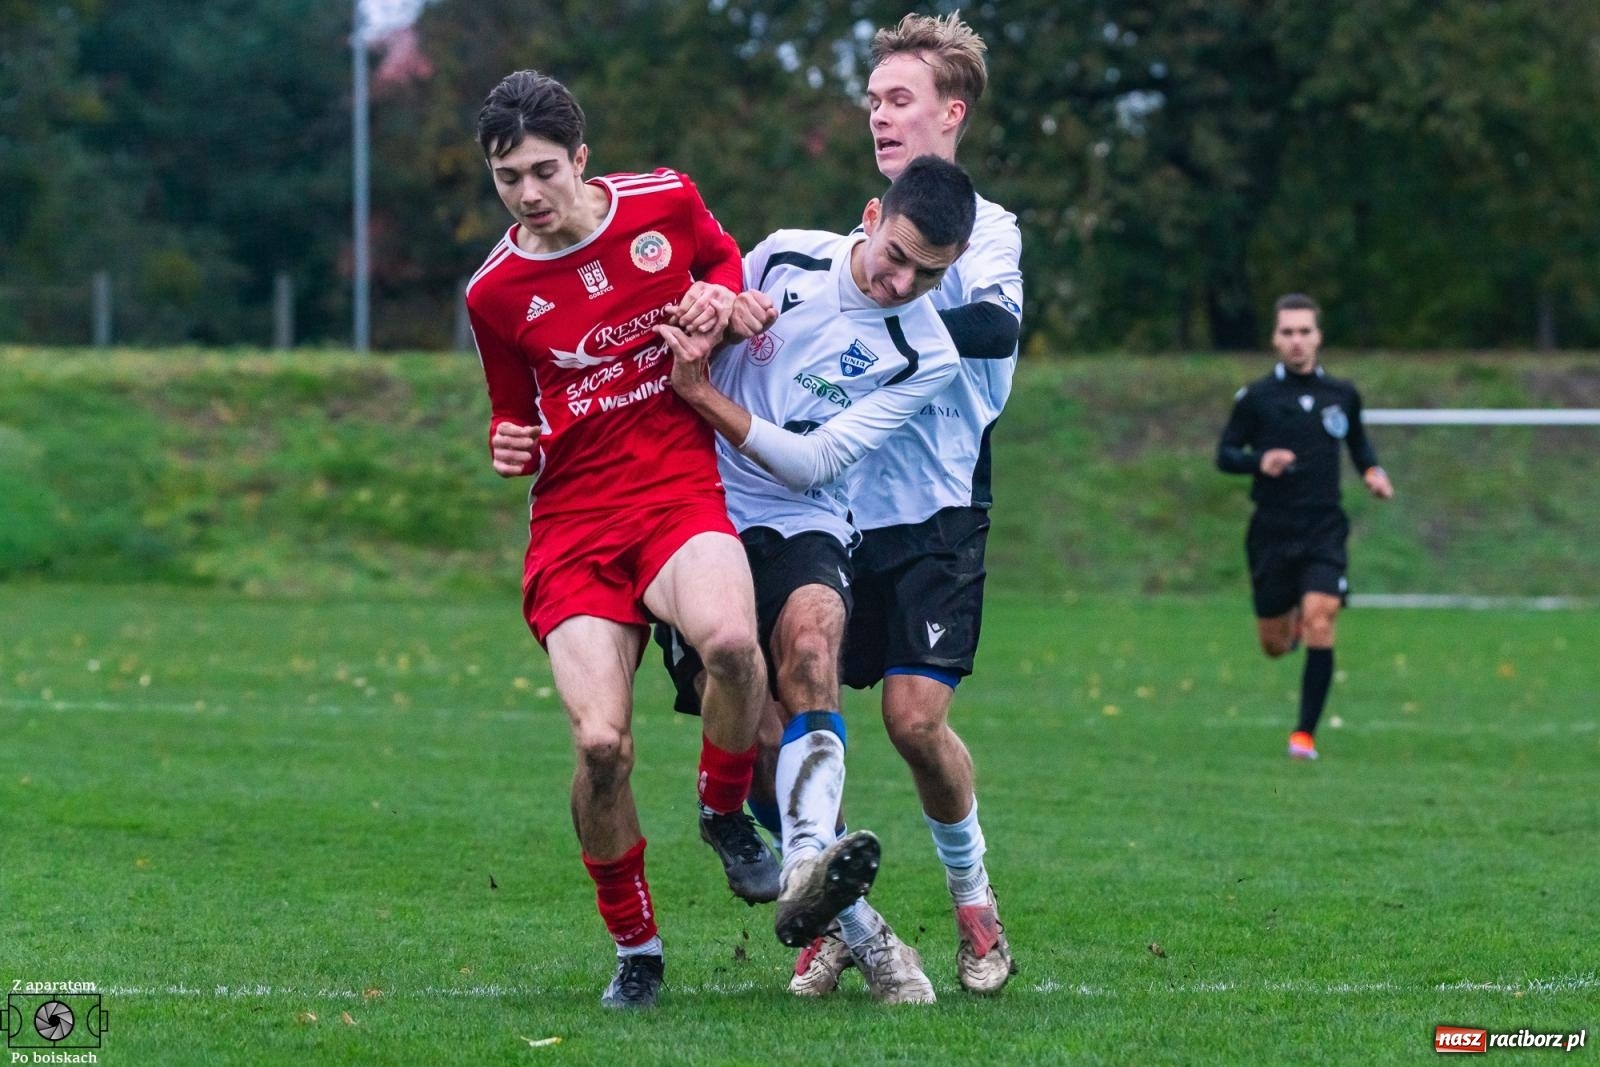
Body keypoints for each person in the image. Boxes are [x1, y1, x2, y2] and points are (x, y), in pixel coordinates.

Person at [463, 69, 778, 1010]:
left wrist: (723, 301)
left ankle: (725, 811)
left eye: (543, 170)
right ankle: (636, 947)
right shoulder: (493, 292)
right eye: (507, 175)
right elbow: (511, 423)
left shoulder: (665, 201)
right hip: (574, 526)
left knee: (730, 643)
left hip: (676, 492)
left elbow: (724, 266)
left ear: (582, 160)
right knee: (602, 746)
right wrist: (507, 446)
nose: (528, 193)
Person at [654, 154, 977, 1004]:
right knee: (758, 734)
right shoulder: (785, 255)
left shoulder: (926, 353)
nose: (901, 281)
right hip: (694, 504)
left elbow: (817, 461)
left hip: (804, 515)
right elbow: (697, 305)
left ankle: (807, 861)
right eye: (896, 254)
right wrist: (720, 310)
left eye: (928, 274)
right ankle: (863, 929)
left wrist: (703, 396)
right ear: (871, 216)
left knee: (812, 646)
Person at [787, 11, 1024, 1000]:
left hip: (936, 510)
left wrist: (898, 291)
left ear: (948, 113)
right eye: (873, 99)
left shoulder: (990, 230)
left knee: (912, 719)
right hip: (837, 511)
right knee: (795, 713)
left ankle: (975, 909)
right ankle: (845, 919)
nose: (877, 115)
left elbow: (990, 323)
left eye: (898, 99)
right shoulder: (859, 233)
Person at [1216, 293, 1395, 760]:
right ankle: (1288, 622)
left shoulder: (1343, 395)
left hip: (1324, 529)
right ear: (1276, 338)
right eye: (1288, 332)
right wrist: (1261, 461)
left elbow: (1358, 445)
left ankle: (1304, 736)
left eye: (1305, 332)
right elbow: (1225, 456)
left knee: (1321, 619)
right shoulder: (1256, 398)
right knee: (1274, 646)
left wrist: (1373, 474)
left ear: (1319, 336)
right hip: (1272, 533)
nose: (1297, 341)